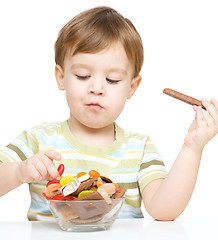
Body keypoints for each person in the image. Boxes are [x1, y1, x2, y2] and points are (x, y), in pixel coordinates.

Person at [0, 6, 217, 221]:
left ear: (132, 87)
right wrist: (19, 172)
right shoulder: (38, 140)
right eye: (83, 75)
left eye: (112, 80)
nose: (97, 88)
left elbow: (164, 211)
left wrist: (192, 148)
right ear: (61, 77)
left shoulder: (139, 149)